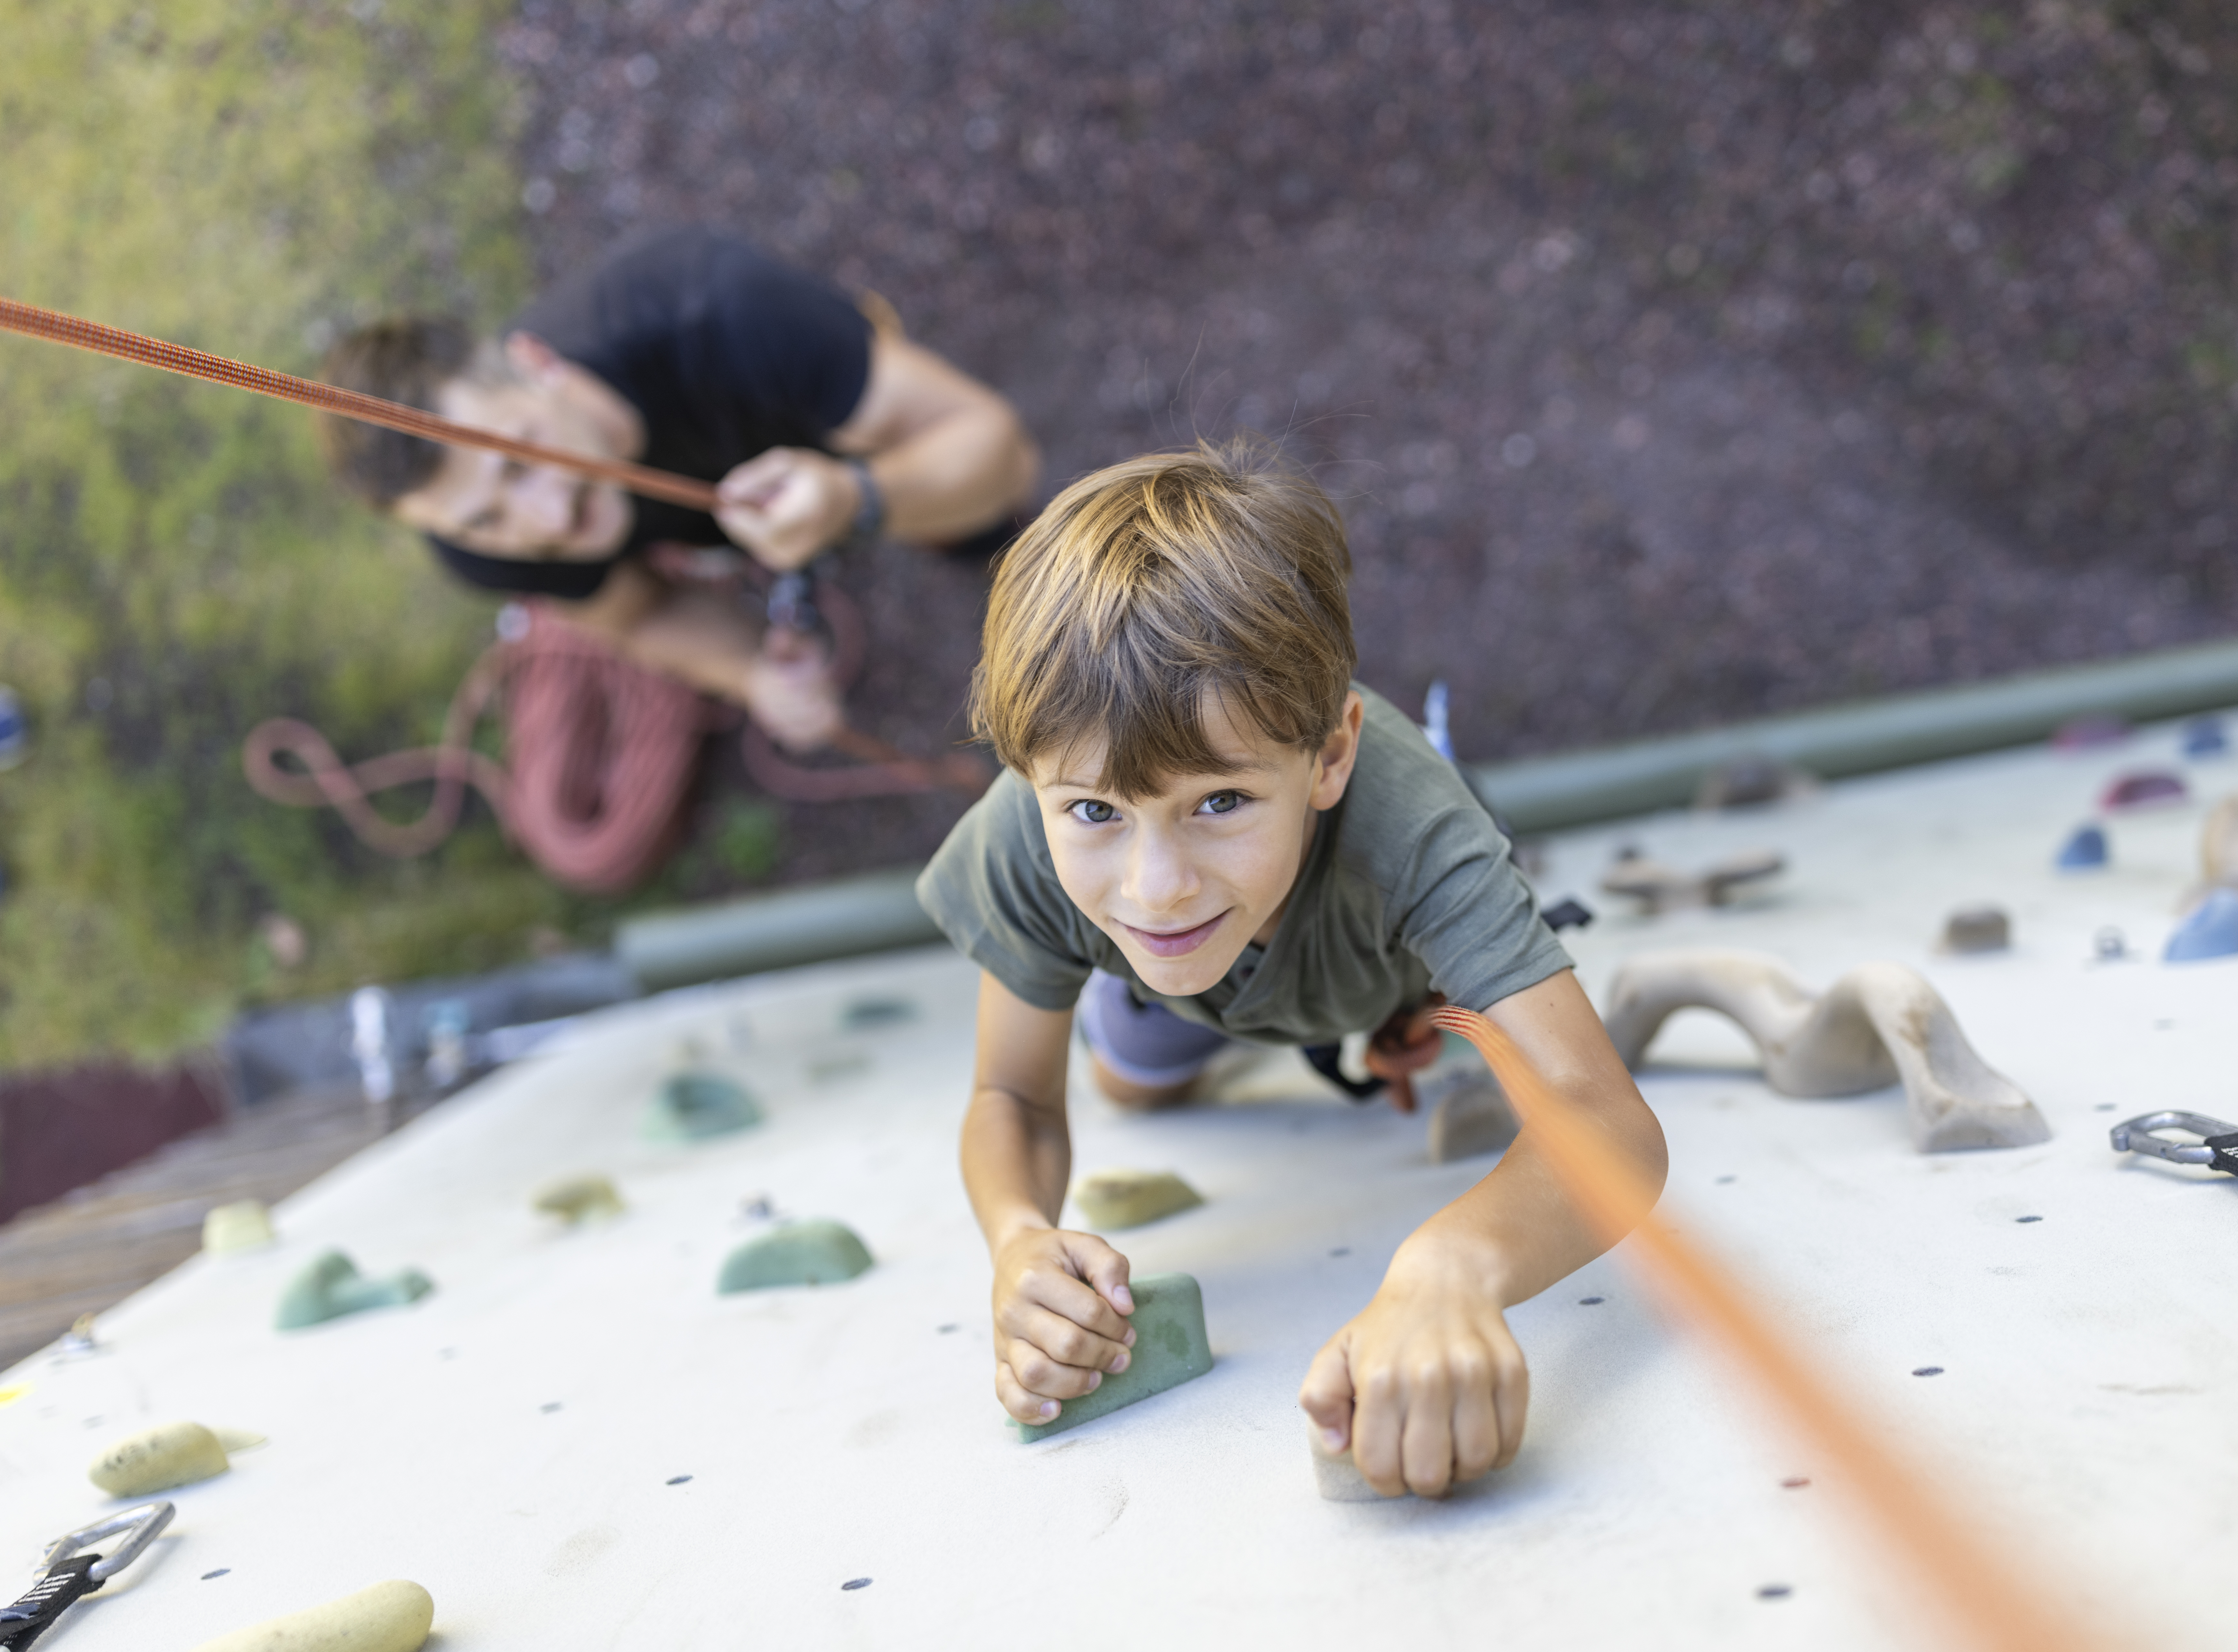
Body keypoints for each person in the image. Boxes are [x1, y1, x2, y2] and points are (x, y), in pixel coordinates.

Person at [915, 442, 1669, 1499]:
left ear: (1330, 752)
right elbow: (1011, 1097)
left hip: (1380, 956)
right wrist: (1019, 1241)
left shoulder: (1412, 821)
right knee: (1135, 1081)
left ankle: (1422, 977)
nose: (1158, 884)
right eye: (1096, 811)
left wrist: (1453, 1265)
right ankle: (1134, 1000)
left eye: (1219, 801)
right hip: (1168, 976)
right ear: (1028, 779)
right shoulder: (1026, 845)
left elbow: (1609, 1124)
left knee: (1452, 1029)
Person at [317, 226, 1041, 750]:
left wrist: (858, 498)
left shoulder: (719, 311)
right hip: (715, 517)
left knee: (983, 525)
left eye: (521, 458)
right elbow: (636, 616)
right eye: (484, 520)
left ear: (537, 364)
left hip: (820, 434)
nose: (546, 523)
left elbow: (1001, 451)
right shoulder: (473, 544)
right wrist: (751, 675)